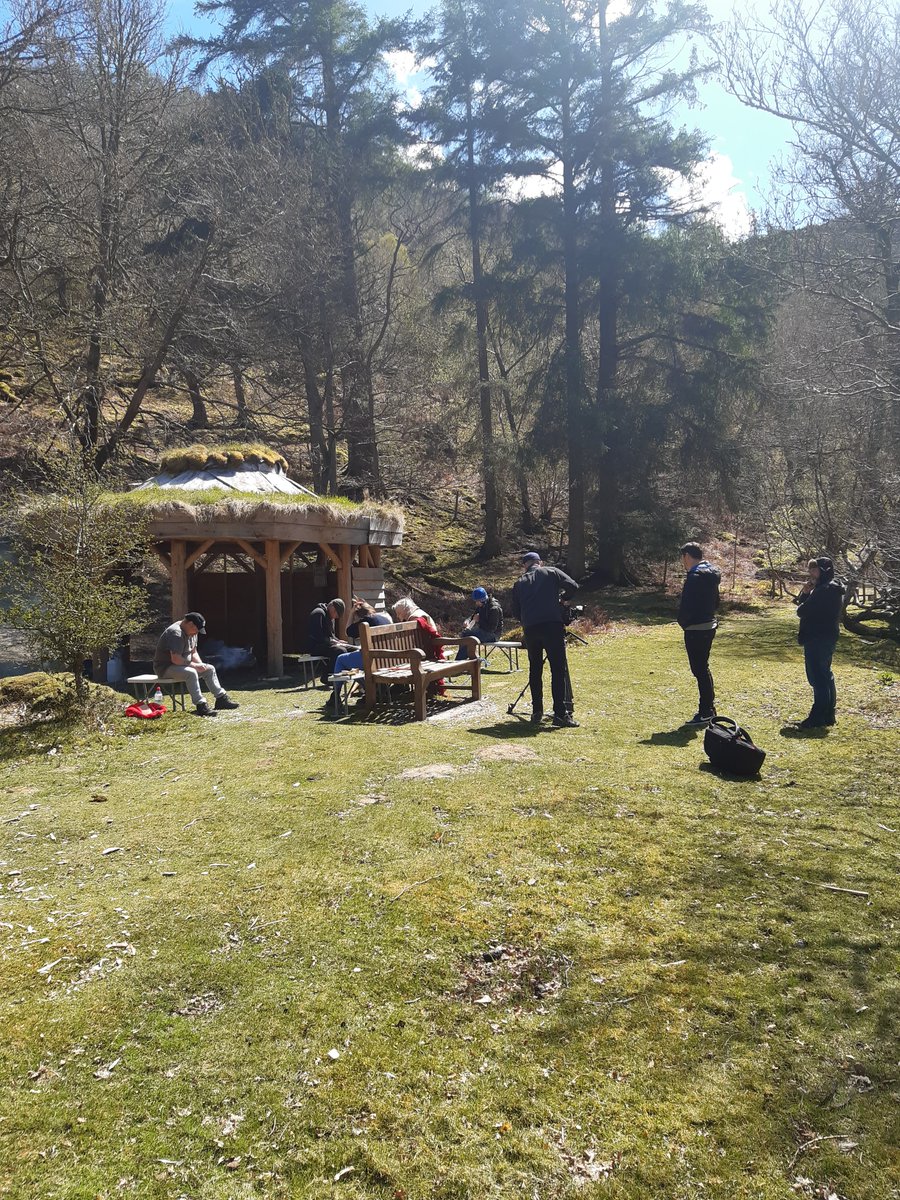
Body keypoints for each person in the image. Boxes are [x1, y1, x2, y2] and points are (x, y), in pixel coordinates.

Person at [511, 551, 579, 727]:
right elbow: (573, 586)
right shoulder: (551, 572)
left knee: (535, 669)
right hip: (551, 625)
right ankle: (560, 714)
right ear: (539, 562)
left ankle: (537, 711)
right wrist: (562, 600)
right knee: (557, 669)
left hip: (531, 628)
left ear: (525, 565)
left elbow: (516, 611)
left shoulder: (519, 583)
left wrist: (528, 617)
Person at [153, 611, 239, 718]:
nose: (197, 632)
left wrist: (200, 665)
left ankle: (221, 699)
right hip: (166, 668)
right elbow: (175, 659)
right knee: (191, 672)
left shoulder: (192, 632)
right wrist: (195, 666)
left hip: (182, 665)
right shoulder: (175, 633)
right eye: (196, 629)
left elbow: (193, 652)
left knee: (209, 669)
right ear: (190, 624)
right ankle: (201, 705)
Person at [794, 556, 843, 728]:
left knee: (818, 677)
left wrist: (806, 595)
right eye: (811, 570)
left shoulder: (824, 591)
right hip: (828, 635)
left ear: (824, 571)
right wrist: (807, 593)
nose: (812, 574)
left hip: (817, 636)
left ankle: (818, 716)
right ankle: (829, 714)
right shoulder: (832, 588)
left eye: (815, 570)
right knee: (825, 674)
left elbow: (802, 611)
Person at [677, 542, 721, 726]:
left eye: (682, 558)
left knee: (700, 670)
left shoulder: (694, 577)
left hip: (696, 628)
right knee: (703, 668)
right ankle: (709, 708)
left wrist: (684, 622)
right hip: (708, 624)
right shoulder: (711, 574)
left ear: (687, 556)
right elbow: (716, 602)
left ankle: (706, 711)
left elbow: (687, 605)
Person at [331, 600, 392, 694]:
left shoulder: (366, 621)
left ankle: (335, 696)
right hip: (387, 659)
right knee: (356, 660)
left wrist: (351, 613)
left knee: (340, 659)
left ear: (358, 615)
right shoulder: (384, 619)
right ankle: (371, 690)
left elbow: (347, 632)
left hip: (372, 660)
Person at [307, 597, 352, 679]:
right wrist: (332, 641)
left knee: (350, 648)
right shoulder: (318, 613)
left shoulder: (330, 617)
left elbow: (331, 635)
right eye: (335, 613)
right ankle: (327, 676)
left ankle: (348, 673)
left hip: (326, 644)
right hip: (315, 646)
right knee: (340, 650)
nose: (334, 617)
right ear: (332, 607)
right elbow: (317, 635)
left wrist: (338, 641)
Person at [456, 586, 503, 659]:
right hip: (483, 631)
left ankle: (460, 661)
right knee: (466, 634)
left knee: (468, 635)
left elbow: (491, 628)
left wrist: (479, 620)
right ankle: (462, 661)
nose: (476, 603)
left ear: (483, 599)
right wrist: (467, 621)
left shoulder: (494, 608)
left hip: (494, 635)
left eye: (477, 601)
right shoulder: (481, 605)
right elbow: (473, 616)